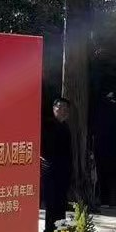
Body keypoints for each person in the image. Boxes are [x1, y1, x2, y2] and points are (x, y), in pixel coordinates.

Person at [43, 96, 74, 225]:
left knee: (61, 201)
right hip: (50, 170)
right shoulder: (48, 126)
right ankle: (50, 228)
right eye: (60, 107)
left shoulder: (66, 126)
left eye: (66, 108)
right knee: (51, 201)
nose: (63, 111)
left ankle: (60, 228)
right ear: (53, 109)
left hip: (63, 171)